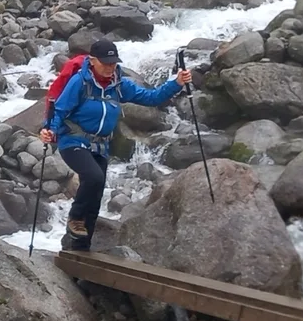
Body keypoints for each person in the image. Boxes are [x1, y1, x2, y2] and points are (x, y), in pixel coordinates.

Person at [39, 37, 190, 251]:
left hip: (100, 146)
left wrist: (177, 83)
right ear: (92, 61)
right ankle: (74, 218)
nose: (110, 67)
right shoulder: (79, 82)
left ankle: (80, 247)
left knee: (97, 192)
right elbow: (60, 109)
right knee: (93, 177)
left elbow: (151, 98)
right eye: (105, 63)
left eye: (113, 63)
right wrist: (49, 130)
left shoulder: (119, 85)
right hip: (73, 141)